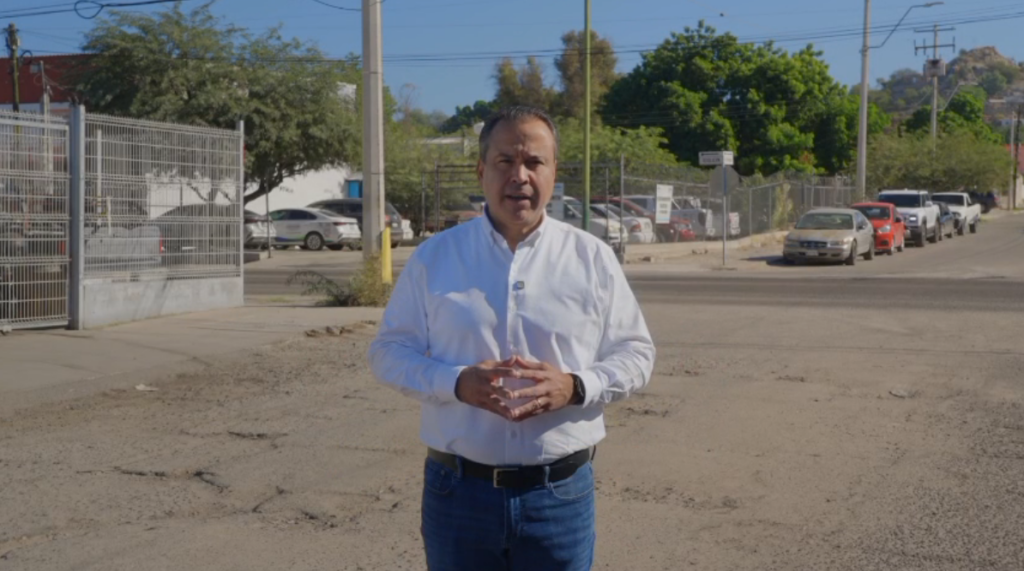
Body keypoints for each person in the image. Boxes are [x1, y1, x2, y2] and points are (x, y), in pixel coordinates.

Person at [368, 106, 655, 570]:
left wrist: (576, 386)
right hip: (458, 495)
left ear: (554, 171)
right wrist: (455, 382)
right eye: (505, 161)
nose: (519, 176)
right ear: (481, 170)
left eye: (534, 162)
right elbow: (388, 352)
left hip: (559, 497)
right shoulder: (435, 257)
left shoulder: (591, 258)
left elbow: (636, 353)